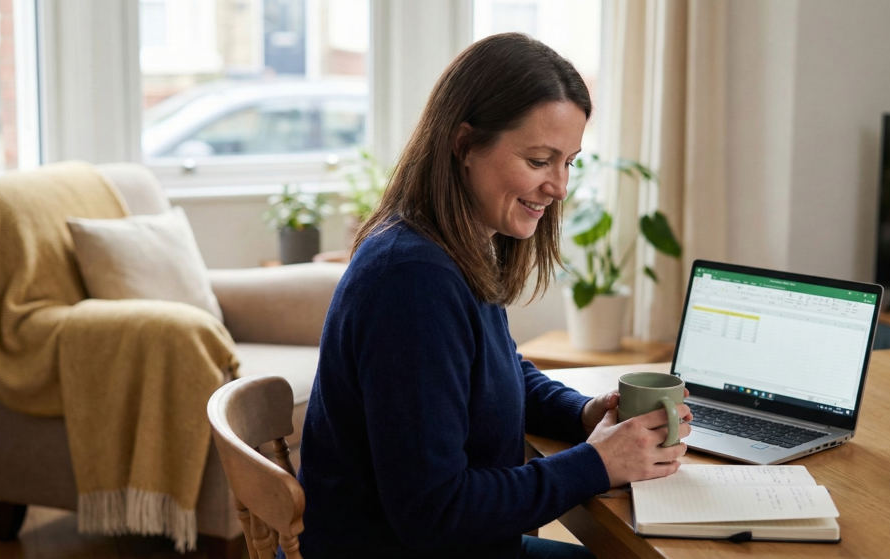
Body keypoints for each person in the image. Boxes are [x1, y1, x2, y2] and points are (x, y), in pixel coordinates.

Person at [295, 32, 692, 559]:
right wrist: (595, 464)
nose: (559, 187)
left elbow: (496, 371)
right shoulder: (413, 281)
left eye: (568, 161)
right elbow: (435, 513)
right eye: (538, 160)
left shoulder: (448, 245)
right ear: (463, 144)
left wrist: (584, 415)